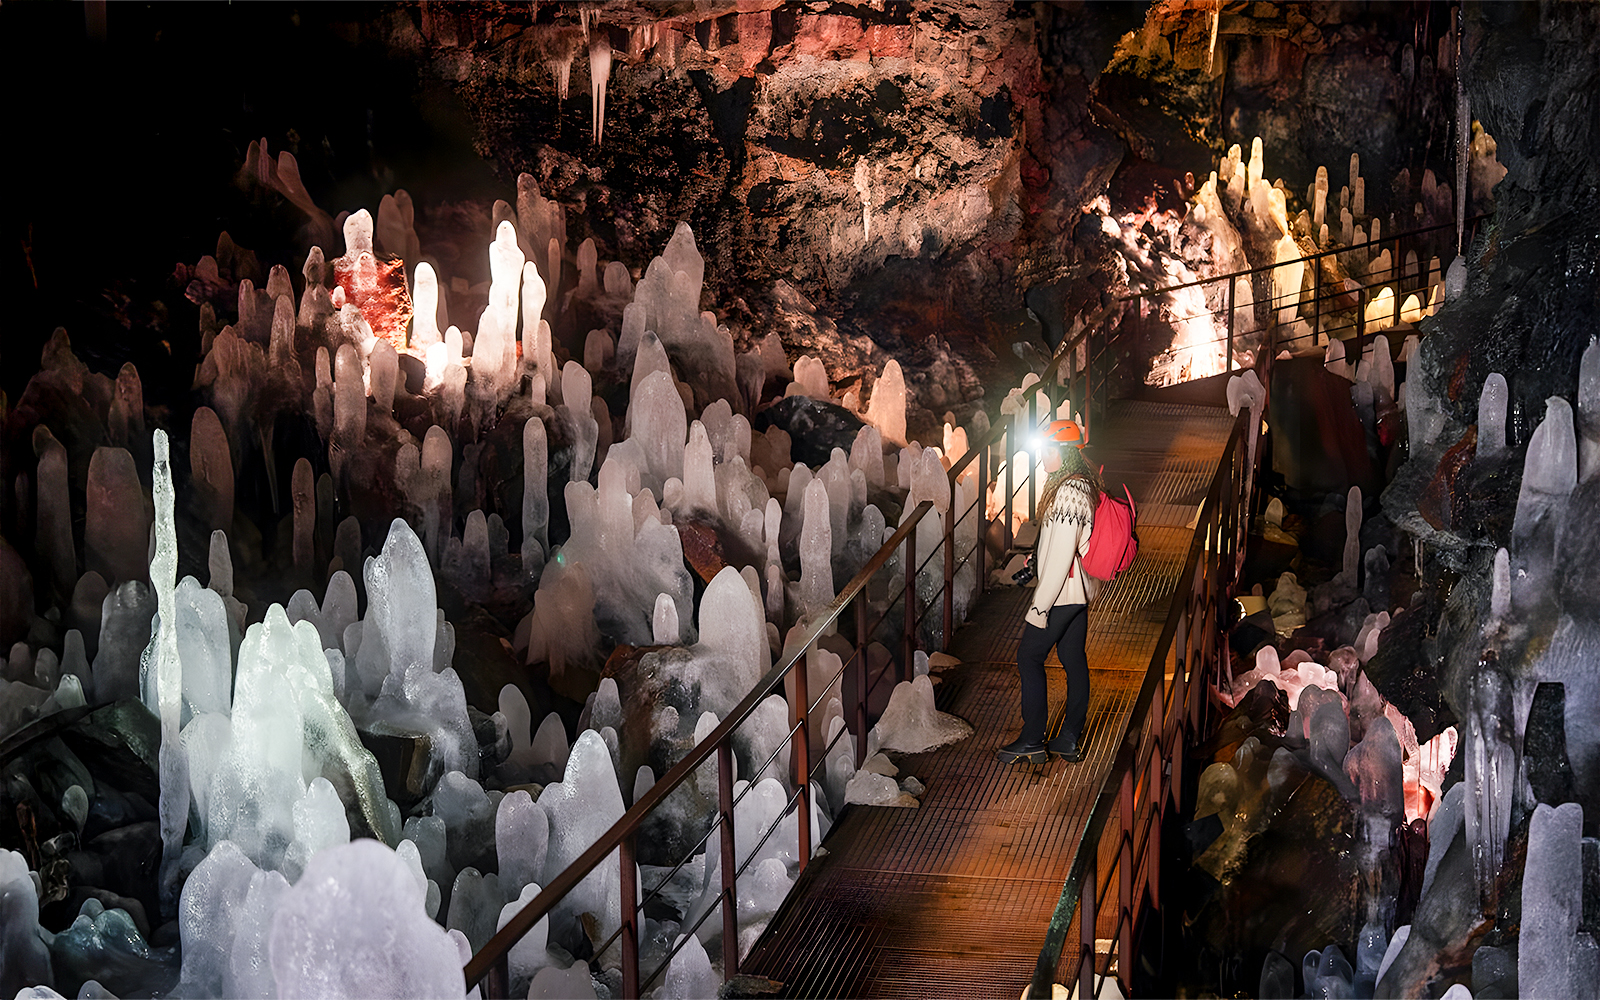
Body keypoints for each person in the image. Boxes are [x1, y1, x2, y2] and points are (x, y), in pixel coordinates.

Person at [997, 418, 1101, 766]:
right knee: (1073, 661)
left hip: (1061, 595)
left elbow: (1059, 559)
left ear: (1063, 453)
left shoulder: (1067, 494)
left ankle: (1031, 739)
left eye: (1047, 451)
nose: (1042, 457)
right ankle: (1069, 737)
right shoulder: (1082, 485)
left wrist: (1039, 607)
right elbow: (1059, 545)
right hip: (1078, 592)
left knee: (1028, 657)